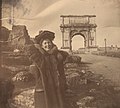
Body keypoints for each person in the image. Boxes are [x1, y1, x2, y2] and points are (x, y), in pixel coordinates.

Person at [26, 30, 68, 108]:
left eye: (49, 43)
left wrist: (63, 83)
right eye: (45, 43)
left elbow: (62, 72)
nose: (47, 45)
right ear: (41, 45)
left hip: (56, 88)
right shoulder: (38, 57)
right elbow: (35, 73)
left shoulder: (57, 56)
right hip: (42, 88)